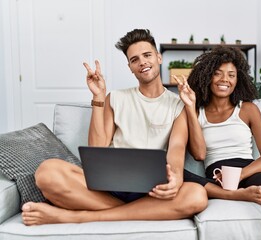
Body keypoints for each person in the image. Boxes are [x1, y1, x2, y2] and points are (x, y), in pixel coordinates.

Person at [21, 29, 208, 225]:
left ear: (159, 58)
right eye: (135, 59)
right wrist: (98, 97)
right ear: (130, 67)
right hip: (108, 187)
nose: (142, 62)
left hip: (152, 189)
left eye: (147, 55)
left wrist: (176, 180)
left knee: (196, 195)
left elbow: (176, 151)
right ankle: (139, 212)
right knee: (47, 172)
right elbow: (97, 148)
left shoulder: (178, 104)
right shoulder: (116, 98)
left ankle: (77, 216)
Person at [174, 46, 261, 240]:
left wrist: (239, 175)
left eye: (231, 75)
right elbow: (199, 154)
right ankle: (232, 193)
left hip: (248, 171)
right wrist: (190, 107)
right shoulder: (197, 113)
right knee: (174, 170)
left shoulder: (248, 109)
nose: (225, 80)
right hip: (216, 176)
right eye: (218, 74)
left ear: (237, 79)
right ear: (207, 77)